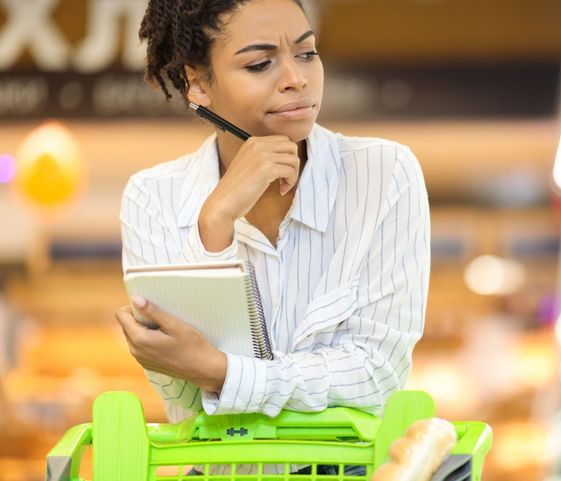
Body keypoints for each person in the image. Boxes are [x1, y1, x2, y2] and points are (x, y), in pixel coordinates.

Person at [114, 0, 430, 454]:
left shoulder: (383, 173)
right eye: (260, 63)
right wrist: (215, 222)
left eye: (307, 53)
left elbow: (374, 373)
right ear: (198, 82)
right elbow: (182, 397)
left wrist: (223, 372)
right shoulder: (152, 197)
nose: (296, 79)